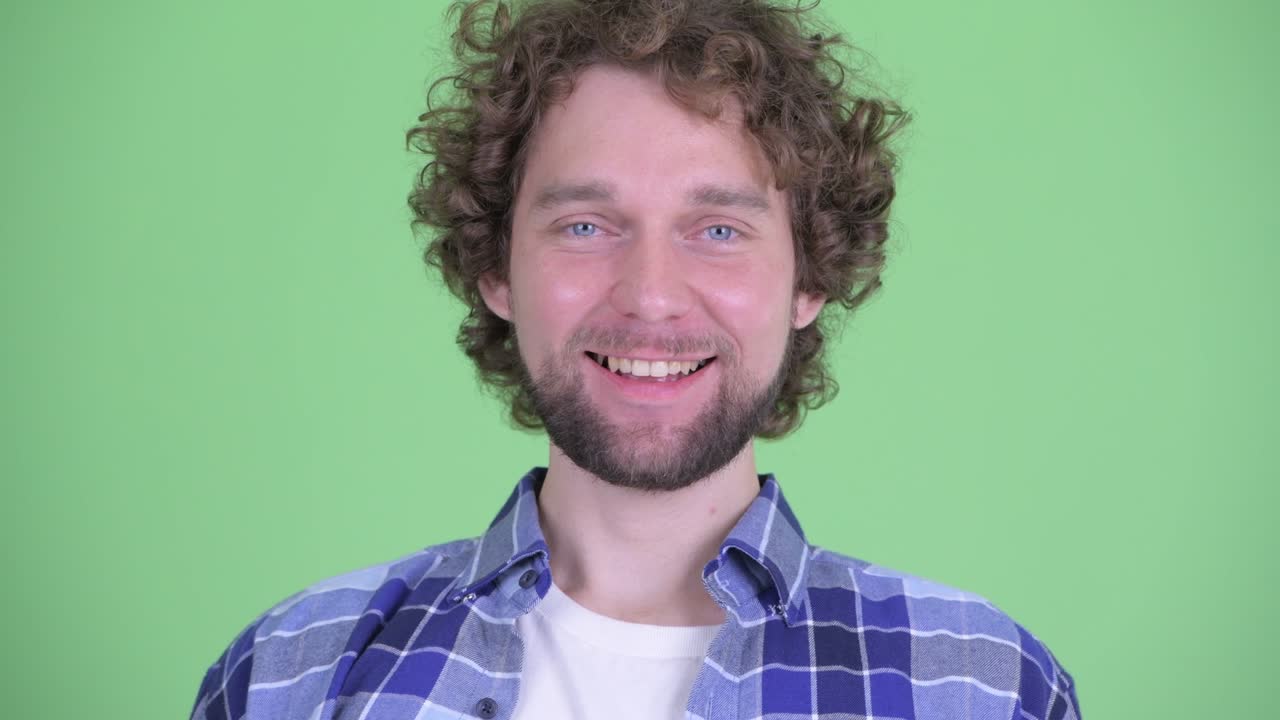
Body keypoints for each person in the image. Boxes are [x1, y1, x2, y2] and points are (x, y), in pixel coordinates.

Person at [190, 1, 1081, 718]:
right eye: (585, 225)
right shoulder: (287, 677)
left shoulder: (985, 689)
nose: (650, 294)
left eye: (719, 229)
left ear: (809, 279)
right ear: (496, 269)